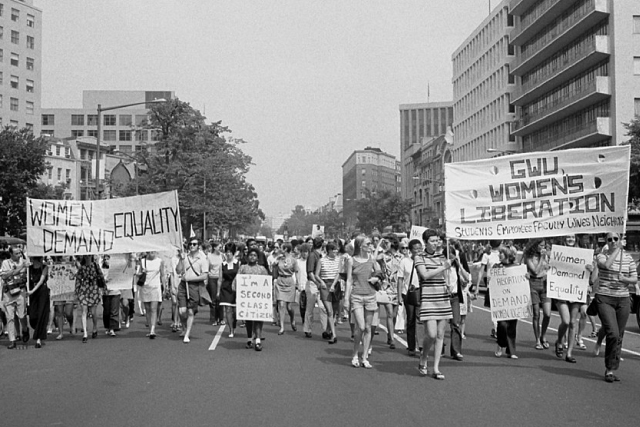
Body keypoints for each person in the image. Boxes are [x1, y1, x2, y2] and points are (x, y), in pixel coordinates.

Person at [595, 232, 637, 382]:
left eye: (615, 239)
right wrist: (617, 250)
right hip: (605, 298)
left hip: (623, 299)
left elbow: (634, 277)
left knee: (619, 335)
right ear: (606, 241)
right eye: (610, 239)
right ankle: (609, 364)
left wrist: (625, 278)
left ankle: (610, 369)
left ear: (619, 239)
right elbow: (605, 265)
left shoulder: (628, 258)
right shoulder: (602, 254)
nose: (613, 241)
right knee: (612, 332)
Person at [415, 229, 453, 380]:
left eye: (437, 241)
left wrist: (449, 281)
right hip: (429, 297)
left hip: (442, 297)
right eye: (432, 241)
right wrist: (443, 267)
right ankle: (424, 358)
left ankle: (436, 367)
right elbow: (424, 275)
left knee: (440, 334)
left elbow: (446, 274)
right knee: (430, 334)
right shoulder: (419, 257)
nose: (435, 244)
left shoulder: (442, 256)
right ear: (425, 242)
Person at [554, 234, 594, 363]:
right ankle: (559, 340)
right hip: (561, 292)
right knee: (565, 321)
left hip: (576, 292)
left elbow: (588, 275)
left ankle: (569, 353)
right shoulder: (558, 252)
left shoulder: (582, 254)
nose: (570, 240)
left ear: (576, 239)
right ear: (564, 239)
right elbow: (552, 269)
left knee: (572, 323)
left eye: (572, 237)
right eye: (568, 238)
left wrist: (590, 270)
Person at [345, 235, 381, 369]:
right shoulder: (351, 261)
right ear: (361, 246)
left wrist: (376, 278)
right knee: (360, 327)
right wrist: (346, 299)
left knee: (368, 327)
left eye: (371, 244)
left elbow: (379, 272)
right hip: (357, 296)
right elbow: (348, 280)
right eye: (368, 243)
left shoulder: (372, 259)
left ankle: (364, 357)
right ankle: (355, 354)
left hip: (370, 295)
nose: (371, 246)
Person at [233, 248, 269, 351]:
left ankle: (258, 340)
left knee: (258, 319)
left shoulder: (262, 269)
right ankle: (249, 339)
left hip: (258, 299)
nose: (252, 257)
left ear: (257, 258)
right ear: (247, 256)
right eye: (250, 255)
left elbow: (266, 284)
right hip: (247, 300)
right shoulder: (243, 268)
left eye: (254, 255)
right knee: (248, 319)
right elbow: (237, 281)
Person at [176, 238, 209, 343]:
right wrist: (181, 260)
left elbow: (204, 275)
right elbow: (178, 270)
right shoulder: (184, 257)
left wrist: (190, 279)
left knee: (190, 311)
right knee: (182, 311)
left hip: (194, 286)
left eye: (194, 244)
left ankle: (187, 333)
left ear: (198, 246)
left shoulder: (203, 259)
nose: (192, 246)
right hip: (183, 285)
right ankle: (184, 327)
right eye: (190, 244)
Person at [524, 238, 552, 350]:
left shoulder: (547, 255)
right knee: (536, 314)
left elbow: (551, 268)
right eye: (540, 245)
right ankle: (537, 340)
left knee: (547, 314)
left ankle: (543, 335)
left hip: (545, 284)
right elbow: (535, 270)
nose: (542, 248)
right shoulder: (529, 257)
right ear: (535, 245)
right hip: (534, 284)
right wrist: (541, 257)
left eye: (544, 246)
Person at [492, 247, 519, 359]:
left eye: (501, 253)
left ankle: (511, 351)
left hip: (513, 301)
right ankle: (501, 343)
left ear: (508, 254)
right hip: (501, 301)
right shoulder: (497, 267)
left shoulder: (517, 267)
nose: (499, 255)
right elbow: (492, 280)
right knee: (502, 324)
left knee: (512, 326)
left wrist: (525, 277)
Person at [397, 239, 423, 357]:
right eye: (415, 249)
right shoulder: (405, 262)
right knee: (411, 320)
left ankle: (422, 345)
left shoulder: (424, 261)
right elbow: (400, 279)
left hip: (422, 292)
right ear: (410, 250)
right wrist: (399, 296)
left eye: (420, 248)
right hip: (409, 293)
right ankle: (411, 346)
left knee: (421, 320)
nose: (418, 251)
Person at [0, 246, 29, 348]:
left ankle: (25, 329)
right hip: (9, 293)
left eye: (20, 253)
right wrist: (19, 268)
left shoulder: (25, 261)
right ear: (11, 254)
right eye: (16, 253)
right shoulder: (5, 263)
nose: (19, 255)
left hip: (21, 291)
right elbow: (4, 276)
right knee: (10, 317)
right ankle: (12, 340)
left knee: (22, 315)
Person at [137, 251, 166, 339]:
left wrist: (164, 287)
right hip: (145, 287)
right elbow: (138, 273)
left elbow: (163, 275)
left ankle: (153, 329)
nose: (151, 253)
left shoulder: (160, 261)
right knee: (148, 309)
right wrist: (140, 273)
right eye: (150, 252)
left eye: (153, 252)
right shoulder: (143, 261)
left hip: (155, 287)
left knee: (153, 308)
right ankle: (150, 329)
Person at [304, 237, 328, 339]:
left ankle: (325, 330)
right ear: (321, 245)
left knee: (323, 307)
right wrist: (317, 282)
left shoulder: (320, 255)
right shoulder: (313, 255)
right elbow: (310, 272)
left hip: (320, 283)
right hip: (314, 284)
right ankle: (307, 329)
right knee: (310, 308)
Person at [75, 255, 103, 343]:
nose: (87, 257)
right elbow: (78, 279)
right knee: (84, 311)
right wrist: (77, 290)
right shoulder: (81, 267)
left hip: (94, 289)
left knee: (93, 312)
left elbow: (101, 276)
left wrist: (104, 287)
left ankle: (95, 327)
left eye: (89, 256)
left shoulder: (95, 265)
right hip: (84, 289)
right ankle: (85, 333)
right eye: (86, 256)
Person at [316, 241, 340, 343]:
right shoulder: (322, 260)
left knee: (334, 311)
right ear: (329, 251)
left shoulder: (339, 260)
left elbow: (338, 273)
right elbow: (317, 274)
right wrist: (321, 282)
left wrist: (334, 285)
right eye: (334, 251)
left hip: (335, 285)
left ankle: (328, 330)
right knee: (329, 311)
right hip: (325, 285)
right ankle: (334, 335)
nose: (336, 252)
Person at [273, 242, 299, 335]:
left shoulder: (293, 260)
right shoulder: (279, 258)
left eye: (281, 248)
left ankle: (292, 319)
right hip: (280, 281)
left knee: (289, 306)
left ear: (286, 249)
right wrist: (276, 261)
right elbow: (273, 266)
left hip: (289, 281)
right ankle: (282, 327)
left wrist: (298, 284)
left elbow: (296, 272)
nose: (280, 249)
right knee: (281, 304)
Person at [27, 256, 50, 348]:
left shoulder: (44, 267)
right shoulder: (29, 268)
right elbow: (27, 280)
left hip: (42, 292)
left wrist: (32, 291)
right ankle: (39, 329)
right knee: (32, 316)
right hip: (32, 293)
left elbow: (41, 281)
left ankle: (38, 339)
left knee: (41, 313)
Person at [218, 242, 240, 338]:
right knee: (227, 309)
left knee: (235, 311)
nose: (228, 254)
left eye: (230, 252)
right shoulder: (222, 265)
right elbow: (220, 279)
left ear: (234, 253)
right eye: (226, 251)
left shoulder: (238, 263)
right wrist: (218, 291)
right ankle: (231, 330)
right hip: (226, 288)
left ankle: (234, 324)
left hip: (236, 288)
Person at [100, 255, 120, 337]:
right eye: (105, 259)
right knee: (107, 311)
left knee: (114, 311)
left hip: (115, 291)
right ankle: (107, 327)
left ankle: (112, 328)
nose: (106, 260)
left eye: (108, 259)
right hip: (106, 292)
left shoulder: (117, 269)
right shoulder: (102, 269)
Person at [207, 242, 224, 326]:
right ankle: (213, 319)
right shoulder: (209, 256)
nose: (221, 248)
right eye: (219, 247)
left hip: (220, 278)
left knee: (220, 299)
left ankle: (221, 318)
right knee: (214, 299)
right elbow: (207, 269)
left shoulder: (222, 256)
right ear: (214, 248)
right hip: (212, 278)